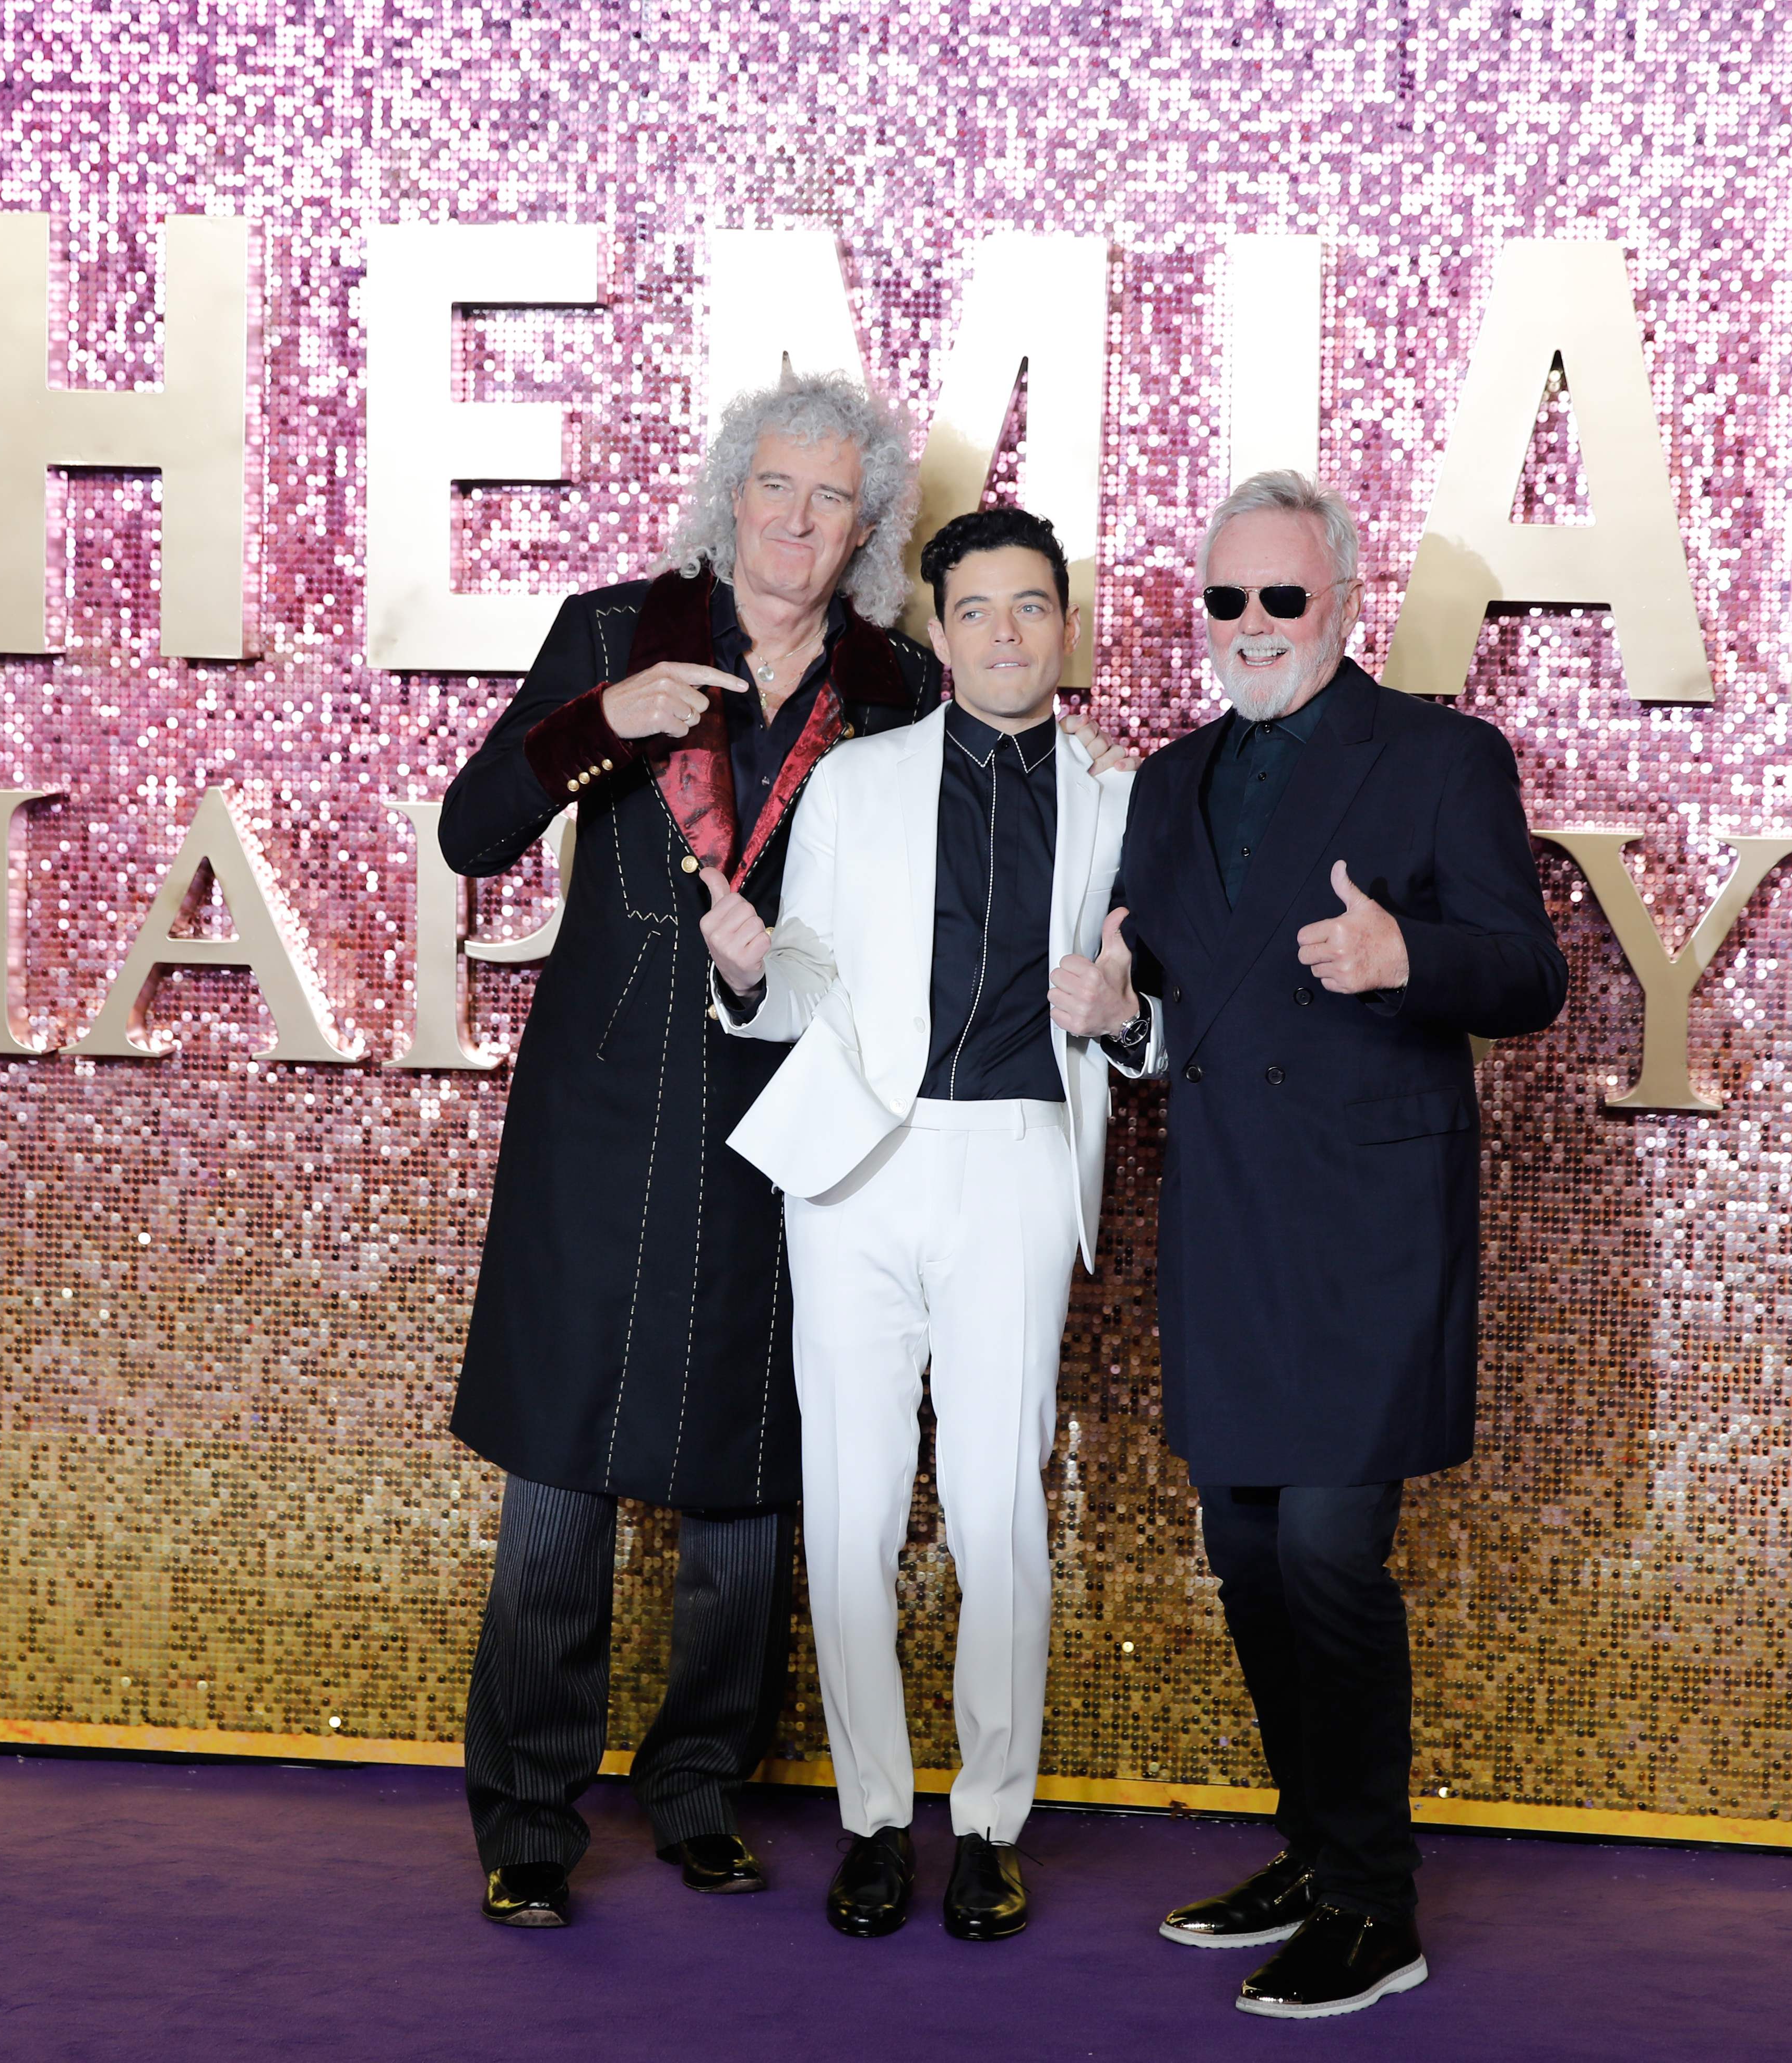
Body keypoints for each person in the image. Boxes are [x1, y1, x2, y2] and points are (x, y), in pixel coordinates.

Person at [1047, 470, 1568, 2017]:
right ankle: (1316, 1847)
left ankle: (1375, 1904)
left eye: (1285, 597)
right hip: (1225, 1225)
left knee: (1333, 1553)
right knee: (1254, 1552)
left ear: (1347, 603)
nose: (1255, 625)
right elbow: (1182, 1016)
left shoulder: (1439, 759)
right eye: (1229, 600)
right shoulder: (1168, 782)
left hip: (1367, 1233)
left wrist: (1411, 953)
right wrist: (1118, 1016)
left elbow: (1528, 975)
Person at [435, 372, 940, 1927]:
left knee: (749, 1476)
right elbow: (471, 834)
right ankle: (528, 1815)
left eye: (830, 501)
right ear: (731, 497)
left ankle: (702, 1793)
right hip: (600, 1110)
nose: (795, 524)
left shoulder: (896, 687)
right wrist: (604, 727)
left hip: (789, 1114)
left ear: (866, 533)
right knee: (562, 1474)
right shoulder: (612, 633)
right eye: (773, 490)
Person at [703, 506, 1138, 1943]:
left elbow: (1157, 1002)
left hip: (1017, 1159)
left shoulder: (1121, 798)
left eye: (1033, 608)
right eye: (979, 611)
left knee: (999, 1509)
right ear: (937, 631)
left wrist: (1126, 1020)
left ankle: (992, 1826)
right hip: (858, 1173)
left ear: (1063, 628)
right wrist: (751, 971)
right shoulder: (855, 784)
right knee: (854, 1503)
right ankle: (878, 1819)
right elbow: (803, 981)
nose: (1007, 633)